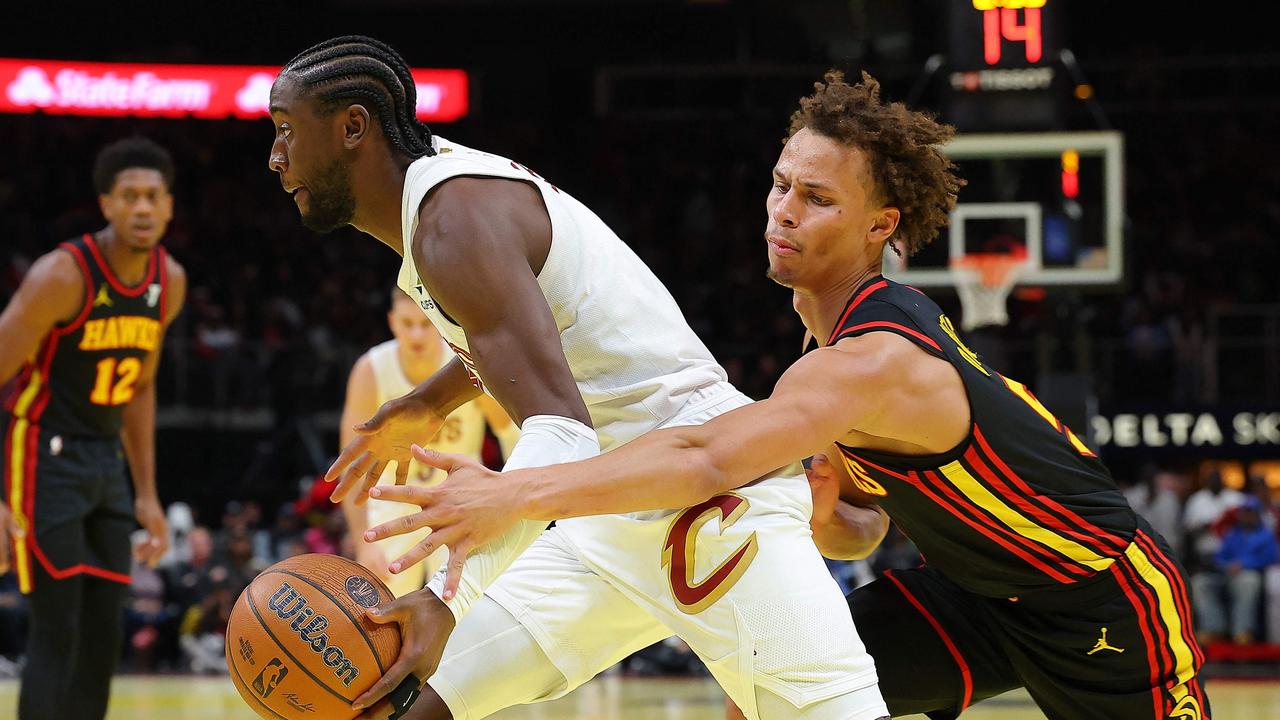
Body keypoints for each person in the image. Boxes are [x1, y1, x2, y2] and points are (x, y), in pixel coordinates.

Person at [391, 72, 1211, 720]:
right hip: (974, 595)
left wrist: (517, 493)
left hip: (1099, 592)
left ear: (880, 225)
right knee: (775, 694)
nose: (784, 211)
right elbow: (867, 529)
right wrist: (824, 513)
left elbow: (705, 453)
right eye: (782, 185)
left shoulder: (870, 358)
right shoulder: (832, 345)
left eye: (817, 200)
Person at [268, 36, 888, 720]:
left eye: (287, 132)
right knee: (396, 700)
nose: (275, 157)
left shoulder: (455, 222)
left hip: (712, 494)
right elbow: (538, 338)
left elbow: (562, 433)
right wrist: (430, 398)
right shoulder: (442, 202)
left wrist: (447, 598)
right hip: (608, 507)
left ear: (353, 127)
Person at [0, 136, 186, 720]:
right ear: (105, 204)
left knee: (106, 630)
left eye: (152, 196)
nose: (141, 208)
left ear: (169, 206)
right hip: (41, 454)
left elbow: (141, 389)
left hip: (106, 461)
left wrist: (149, 494)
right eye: (128, 196)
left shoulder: (169, 281)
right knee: (59, 625)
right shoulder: (62, 275)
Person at [340, 289, 516, 597]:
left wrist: (511, 503)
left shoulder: (464, 362)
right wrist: (361, 543)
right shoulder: (371, 369)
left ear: (438, 322)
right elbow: (351, 464)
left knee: (461, 609)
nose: (417, 333)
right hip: (391, 504)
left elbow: (508, 430)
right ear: (392, 322)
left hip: (459, 499)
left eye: (425, 323)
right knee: (381, 615)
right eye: (407, 323)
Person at [1191, 496, 1277, 645]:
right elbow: (1219, 557)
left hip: (1251, 574)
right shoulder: (1233, 534)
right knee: (1200, 583)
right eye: (1244, 512)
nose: (1247, 515)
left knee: (1248, 581)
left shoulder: (1266, 535)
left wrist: (1243, 564)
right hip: (1227, 574)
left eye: (1251, 512)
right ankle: (1215, 628)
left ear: (1257, 514)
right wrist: (1226, 565)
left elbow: (1271, 557)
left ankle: (1242, 631)